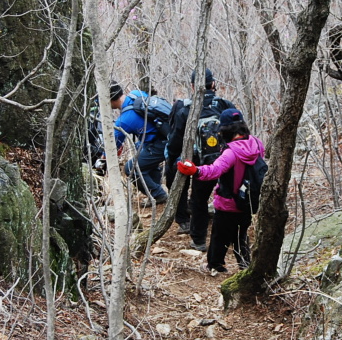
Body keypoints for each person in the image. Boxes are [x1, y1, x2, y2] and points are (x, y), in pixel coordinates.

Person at [177, 108, 264, 274]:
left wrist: (195, 171)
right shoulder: (257, 144)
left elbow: (214, 171)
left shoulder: (231, 152)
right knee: (241, 235)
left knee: (219, 236)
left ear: (224, 130)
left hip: (228, 202)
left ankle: (215, 265)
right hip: (249, 201)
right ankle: (246, 267)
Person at [165, 68, 235, 251]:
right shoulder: (225, 105)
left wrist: (171, 160)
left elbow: (174, 142)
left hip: (199, 164)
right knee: (227, 196)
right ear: (213, 84)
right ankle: (233, 238)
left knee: (198, 200)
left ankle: (198, 239)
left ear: (193, 86)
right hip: (226, 161)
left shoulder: (186, 110)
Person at [110, 81, 169, 206]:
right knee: (143, 155)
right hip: (166, 136)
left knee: (131, 168)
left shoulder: (123, 121)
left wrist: (104, 157)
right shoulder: (136, 94)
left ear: (109, 100)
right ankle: (156, 194)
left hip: (159, 144)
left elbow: (113, 145)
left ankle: (158, 194)